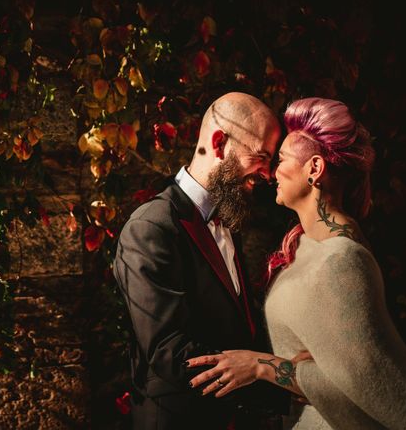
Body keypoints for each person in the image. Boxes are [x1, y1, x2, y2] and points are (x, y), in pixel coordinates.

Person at [186, 97, 406, 429]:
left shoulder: (343, 261)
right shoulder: (306, 244)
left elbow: (377, 388)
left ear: (315, 169)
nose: (270, 172)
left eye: (281, 160)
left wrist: (263, 366)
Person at [113, 92, 290, 429]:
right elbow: (170, 351)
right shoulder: (150, 227)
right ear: (220, 143)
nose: (268, 174)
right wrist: (283, 384)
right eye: (261, 157)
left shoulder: (224, 213)